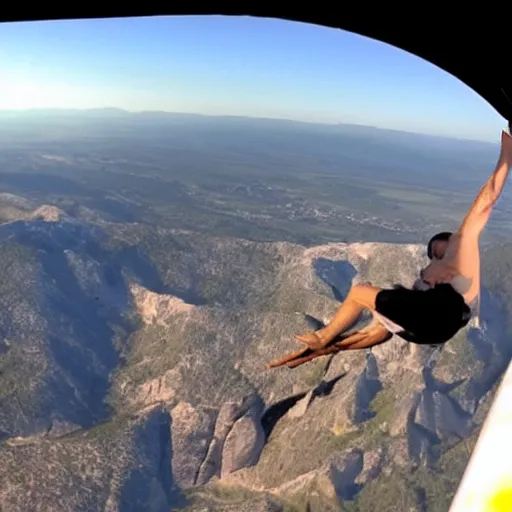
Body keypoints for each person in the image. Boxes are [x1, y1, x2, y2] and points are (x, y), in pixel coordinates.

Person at [295, 130, 512, 351]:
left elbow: (489, 196)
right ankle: (336, 343)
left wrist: (507, 150)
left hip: (439, 317)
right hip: (430, 325)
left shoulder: (462, 242)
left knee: (360, 292)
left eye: (438, 250)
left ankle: (323, 338)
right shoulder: (442, 281)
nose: (435, 257)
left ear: (449, 239)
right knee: (371, 304)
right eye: (433, 255)